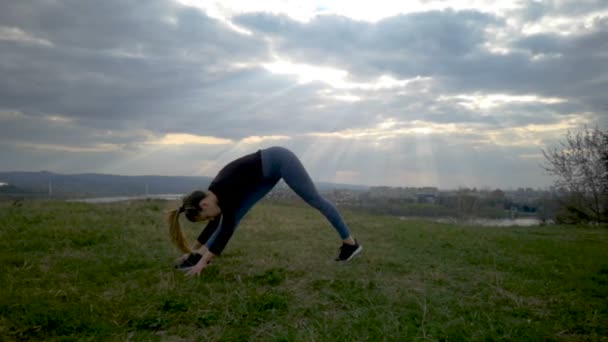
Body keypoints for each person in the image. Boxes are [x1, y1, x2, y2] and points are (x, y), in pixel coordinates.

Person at [168, 146, 362, 276]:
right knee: (234, 217)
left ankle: (350, 243)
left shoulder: (225, 190)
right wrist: (193, 251)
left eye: (206, 216)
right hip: (264, 174)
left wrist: (202, 265)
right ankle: (198, 256)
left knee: (315, 200)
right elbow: (215, 223)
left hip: (280, 159)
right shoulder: (214, 195)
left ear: (204, 205)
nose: (211, 217)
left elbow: (225, 227)